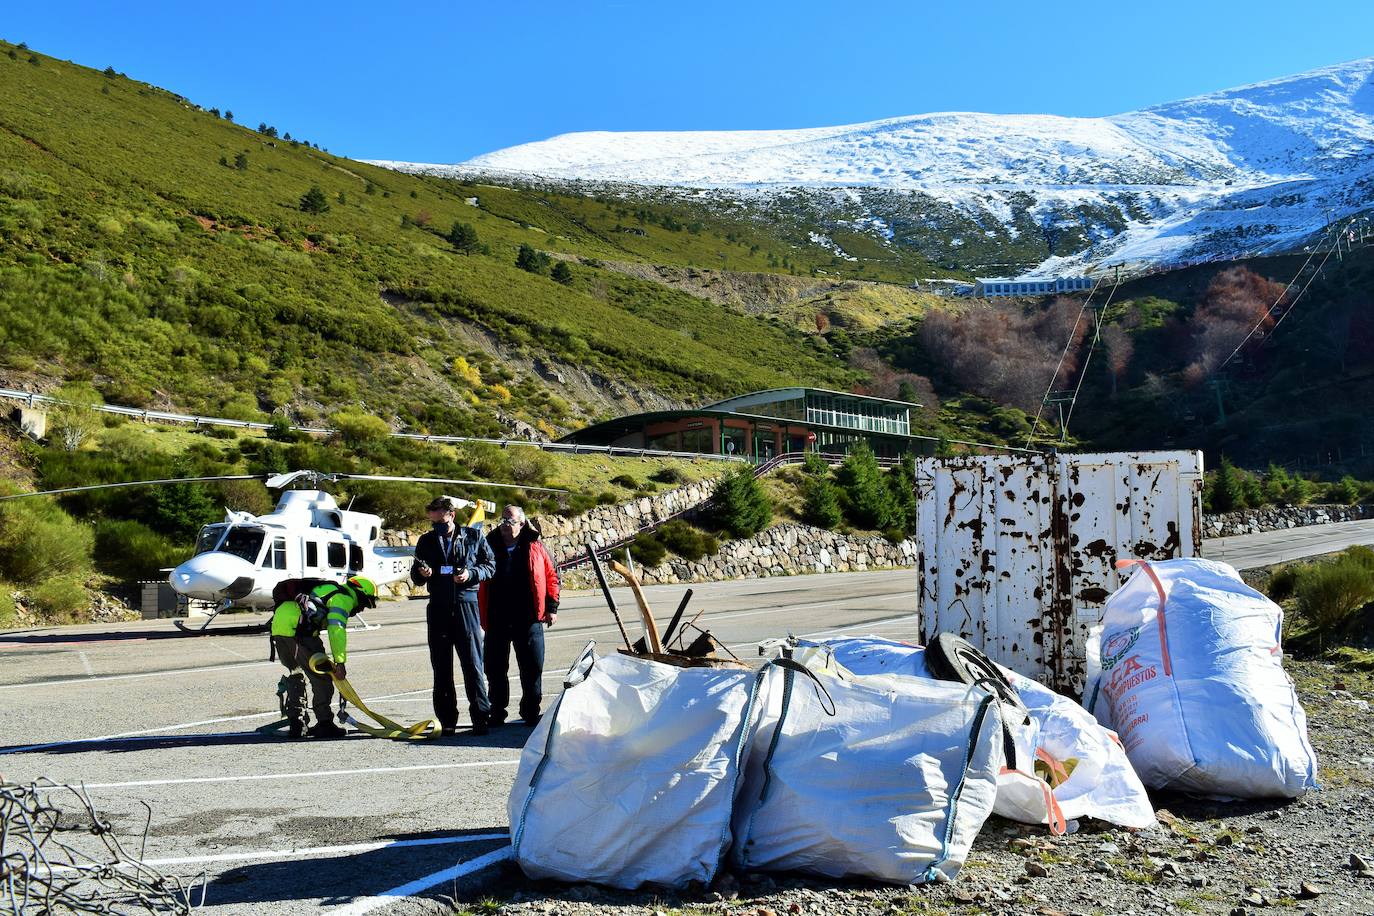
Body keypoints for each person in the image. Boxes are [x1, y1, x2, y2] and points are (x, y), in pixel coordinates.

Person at [411, 496, 496, 735]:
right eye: (434, 523)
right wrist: (422, 573)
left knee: (473, 664)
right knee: (441, 667)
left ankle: (480, 717)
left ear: (452, 515)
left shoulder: (473, 536)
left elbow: (490, 566)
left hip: (466, 605)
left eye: (442, 522)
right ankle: (447, 720)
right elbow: (416, 575)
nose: (438, 527)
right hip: (438, 607)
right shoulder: (426, 541)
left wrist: (470, 574)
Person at [478, 505, 560, 727]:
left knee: (532, 668)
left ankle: (531, 711)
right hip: (497, 617)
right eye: (503, 520)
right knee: (494, 669)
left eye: (510, 521)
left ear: (522, 524)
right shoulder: (488, 545)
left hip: (528, 618)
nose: (505, 525)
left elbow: (551, 576)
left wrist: (552, 607)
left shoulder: (535, 546)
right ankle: (497, 711)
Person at [270, 575, 377, 739]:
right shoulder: (343, 598)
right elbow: (336, 630)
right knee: (323, 677)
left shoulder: (328, 590)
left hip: (278, 628)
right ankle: (324, 723)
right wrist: (340, 662)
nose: (361, 609)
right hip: (298, 631)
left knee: (296, 673)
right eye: (364, 604)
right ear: (360, 594)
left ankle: (297, 723)